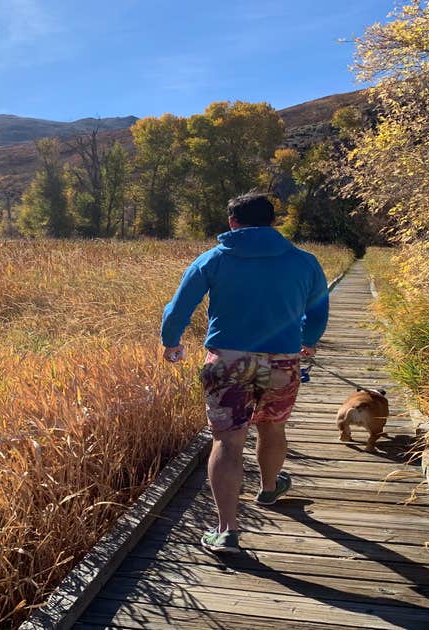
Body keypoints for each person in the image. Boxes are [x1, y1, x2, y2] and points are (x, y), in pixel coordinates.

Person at [160, 192, 329, 553]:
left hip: (228, 362)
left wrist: (171, 341)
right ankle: (269, 489)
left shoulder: (213, 259)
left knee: (228, 439)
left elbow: (179, 308)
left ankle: (226, 531)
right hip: (283, 362)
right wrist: (309, 342)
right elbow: (318, 311)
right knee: (272, 427)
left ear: (232, 222)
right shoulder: (305, 262)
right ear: (272, 222)